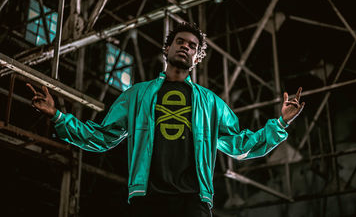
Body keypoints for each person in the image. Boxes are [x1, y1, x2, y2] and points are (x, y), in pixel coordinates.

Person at [27, 22, 305, 217]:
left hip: (193, 200)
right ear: (167, 49)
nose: (185, 47)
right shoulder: (137, 95)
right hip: (147, 198)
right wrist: (59, 117)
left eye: (192, 46)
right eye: (180, 42)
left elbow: (239, 144)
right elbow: (101, 136)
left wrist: (280, 124)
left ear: (197, 57)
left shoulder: (210, 103)